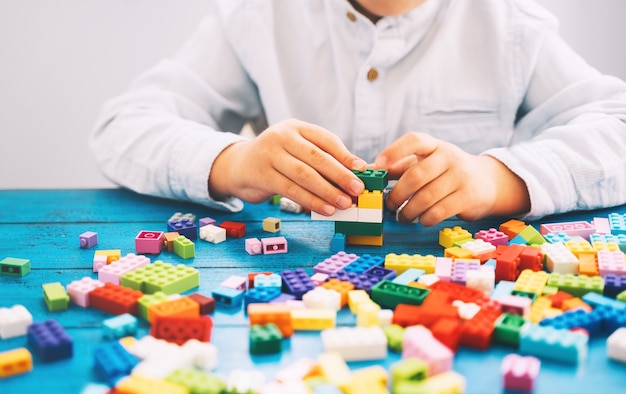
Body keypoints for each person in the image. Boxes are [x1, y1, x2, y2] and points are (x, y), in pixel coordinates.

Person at [90, 0, 626, 227]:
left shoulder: (510, 23)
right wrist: (234, 162)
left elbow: (617, 125)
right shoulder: (259, 15)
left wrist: (497, 178)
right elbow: (125, 124)